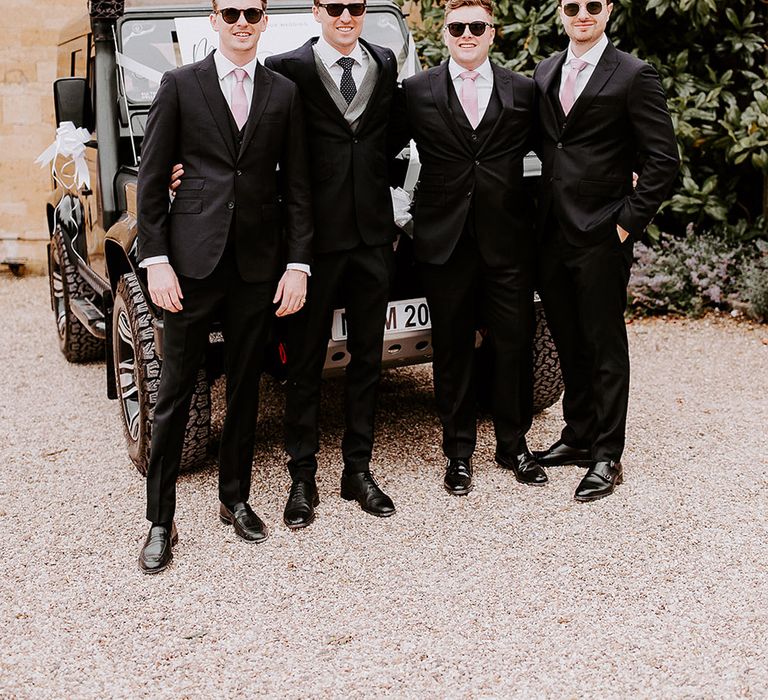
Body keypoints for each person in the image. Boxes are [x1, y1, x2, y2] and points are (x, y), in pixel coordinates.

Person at [136, 0, 313, 573]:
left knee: (244, 390)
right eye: (231, 12)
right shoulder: (180, 85)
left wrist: (297, 265)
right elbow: (152, 178)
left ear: (265, 22)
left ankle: (234, 498)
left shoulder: (282, 93)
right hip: (190, 263)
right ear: (214, 19)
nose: (242, 23)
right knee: (174, 394)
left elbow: (299, 188)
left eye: (252, 13)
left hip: (256, 268)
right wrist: (156, 259)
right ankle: (161, 520)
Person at [394, 0, 547, 495]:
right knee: (452, 349)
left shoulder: (523, 91)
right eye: (457, 26)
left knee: (513, 344)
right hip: (444, 241)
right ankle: (458, 453)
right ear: (445, 33)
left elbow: (559, 150)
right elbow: (377, 151)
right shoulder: (416, 91)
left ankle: (513, 445)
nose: (466, 34)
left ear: (492, 33)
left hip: (508, 241)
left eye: (475, 26)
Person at [532, 0, 679, 501]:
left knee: (604, 345)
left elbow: (664, 162)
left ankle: (607, 455)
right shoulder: (546, 69)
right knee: (568, 341)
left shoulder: (635, 74)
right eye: (572, 6)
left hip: (601, 234)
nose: (583, 14)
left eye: (592, 5)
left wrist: (626, 225)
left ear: (608, 10)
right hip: (551, 235)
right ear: (560, 12)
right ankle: (577, 435)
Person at [264, 0, 400, 525]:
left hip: (371, 238)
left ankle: (357, 470)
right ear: (318, 10)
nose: (347, 16)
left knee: (368, 359)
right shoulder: (287, 69)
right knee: (304, 364)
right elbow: (254, 138)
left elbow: (393, 135)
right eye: (336, 6)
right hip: (312, 244)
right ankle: (302, 477)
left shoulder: (384, 62)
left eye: (356, 6)